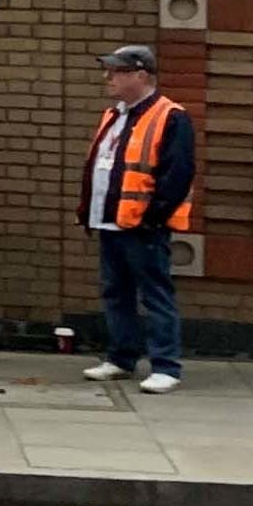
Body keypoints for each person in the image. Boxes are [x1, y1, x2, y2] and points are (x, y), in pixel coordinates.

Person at [81, 44, 198, 395]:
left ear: (141, 75)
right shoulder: (114, 115)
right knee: (116, 292)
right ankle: (121, 357)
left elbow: (178, 174)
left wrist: (152, 218)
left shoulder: (171, 116)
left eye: (116, 71)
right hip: (111, 221)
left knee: (154, 293)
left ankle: (166, 365)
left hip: (142, 225)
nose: (108, 77)